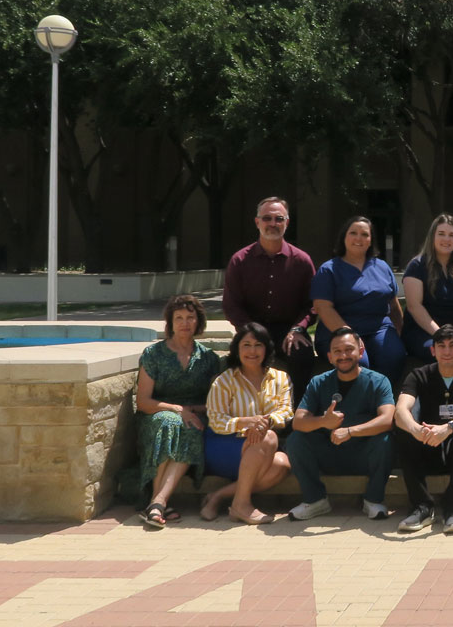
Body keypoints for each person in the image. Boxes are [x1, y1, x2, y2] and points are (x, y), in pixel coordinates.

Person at [286, 326, 396, 522]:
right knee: (296, 440)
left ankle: (373, 500)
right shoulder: (318, 383)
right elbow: (298, 422)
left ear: (360, 352)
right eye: (337, 351)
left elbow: (387, 420)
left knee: (386, 439)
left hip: (365, 454)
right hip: (329, 453)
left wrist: (351, 431)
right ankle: (315, 500)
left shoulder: (378, 381)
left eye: (348, 349)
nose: (343, 355)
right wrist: (323, 421)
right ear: (329, 356)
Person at [132, 294, 222, 527]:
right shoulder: (154, 355)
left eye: (190, 318)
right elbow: (143, 401)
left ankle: (156, 503)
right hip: (156, 414)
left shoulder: (209, 358)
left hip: (194, 415)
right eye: (179, 318)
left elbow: (216, 401)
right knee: (169, 422)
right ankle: (158, 502)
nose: (184, 323)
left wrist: (190, 410)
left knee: (190, 427)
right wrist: (177, 409)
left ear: (198, 322)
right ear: (170, 322)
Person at [392, 326, 453, 534]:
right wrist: (416, 430)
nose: (447, 351)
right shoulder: (418, 375)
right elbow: (400, 410)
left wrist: (448, 428)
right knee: (403, 431)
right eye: (441, 346)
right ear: (433, 351)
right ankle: (422, 507)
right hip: (429, 446)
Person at [199, 322, 294, 525]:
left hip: (260, 448)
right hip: (223, 445)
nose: (252, 351)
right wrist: (246, 423)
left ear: (266, 348)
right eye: (246, 345)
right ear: (237, 349)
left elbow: (286, 412)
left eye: (258, 344)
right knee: (268, 436)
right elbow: (216, 421)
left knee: (282, 464)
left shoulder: (280, 378)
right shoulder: (224, 381)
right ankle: (241, 505)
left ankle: (217, 496)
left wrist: (265, 421)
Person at [222, 195, 317, 383]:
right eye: (267, 218)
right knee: (233, 362)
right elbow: (231, 305)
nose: (273, 223)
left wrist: (298, 329)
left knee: (302, 355)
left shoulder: (302, 261)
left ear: (287, 223)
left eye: (279, 219)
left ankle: (299, 409)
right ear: (257, 222)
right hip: (251, 327)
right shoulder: (240, 260)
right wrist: (250, 333)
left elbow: (313, 304)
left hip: (289, 330)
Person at [311, 215, 404, 381]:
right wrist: (350, 335)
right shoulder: (329, 269)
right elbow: (323, 308)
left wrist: (401, 333)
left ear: (370, 240)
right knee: (359, 361)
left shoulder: (382, 267)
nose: (358, 238)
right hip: (339, 330)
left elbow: (394, 305)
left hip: (379, 328)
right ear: (344, 237)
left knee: (393, 356)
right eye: (353, 233)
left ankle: (386, 402)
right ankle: (359, 405)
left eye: (365, 234)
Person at [400, 214, 453, 369]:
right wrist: (441, 336)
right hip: (423, 330)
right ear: (432, 237)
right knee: (437, 353)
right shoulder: (417, 266)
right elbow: (414, 306)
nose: (447, 239)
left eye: (452, 235)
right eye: (441, 234)